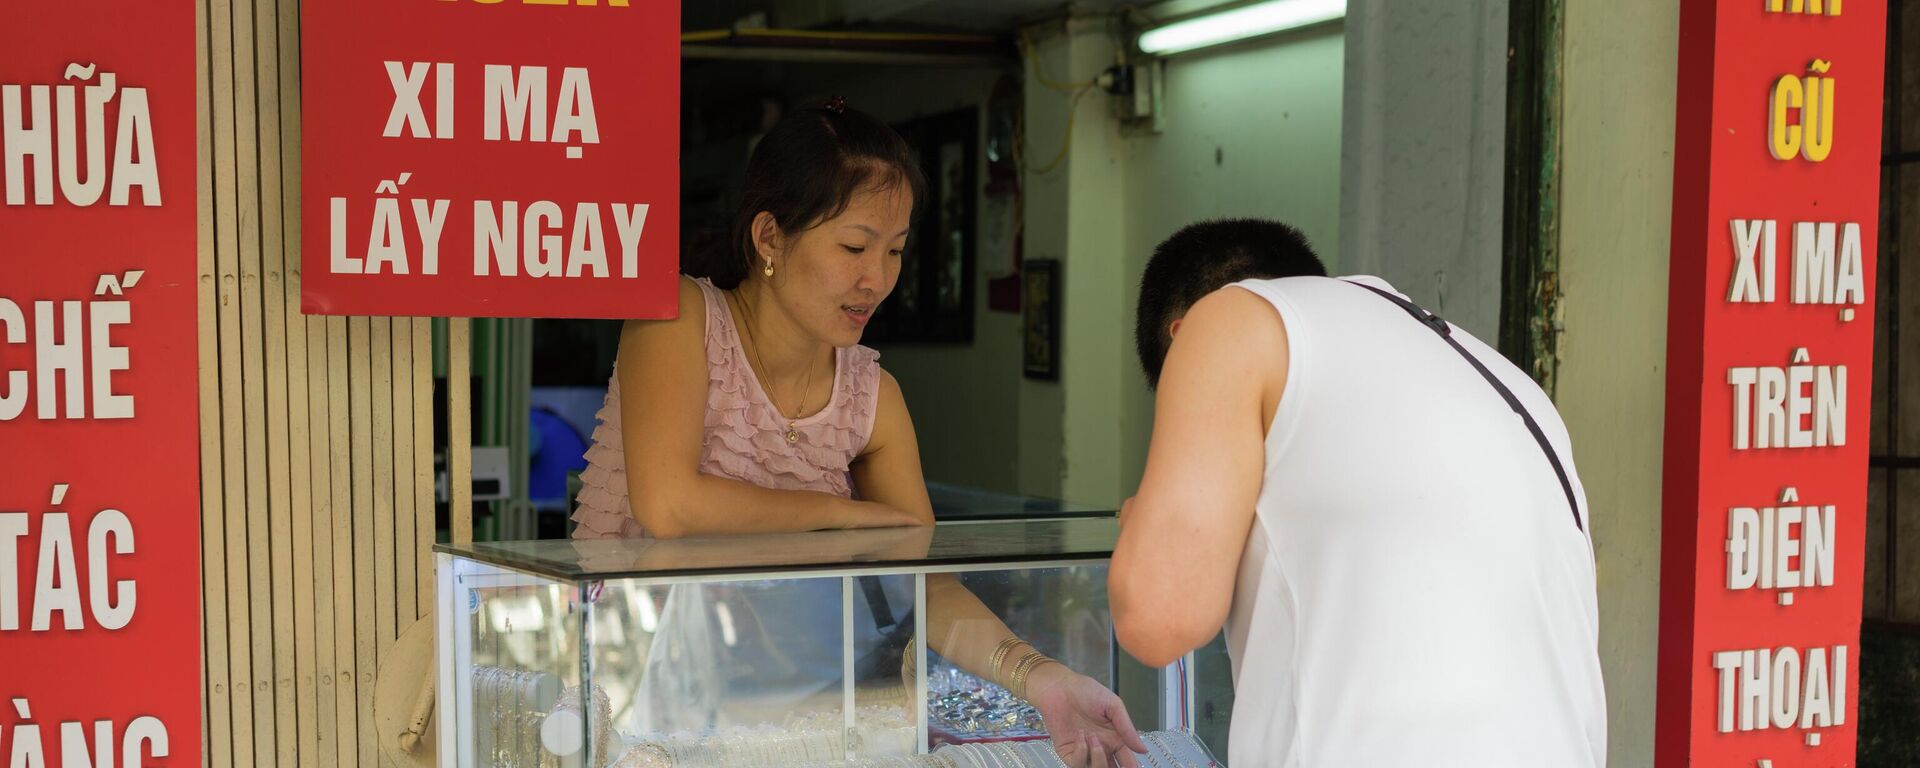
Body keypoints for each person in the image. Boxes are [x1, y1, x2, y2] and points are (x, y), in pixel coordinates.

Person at [571, 98, 1145, 767]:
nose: (876, 279)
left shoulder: (874, 398)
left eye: (895, 250)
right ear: (769, 238)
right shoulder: (677, 320)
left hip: (786, 725)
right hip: (633, 697)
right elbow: (669, 506)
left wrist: (1043, 679)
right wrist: (845, 516)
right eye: (853, 247)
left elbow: (926, 587)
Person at [1108, 219, 1607, 766]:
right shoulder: (1508, 383)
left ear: (1181, 337)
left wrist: (1146, 524)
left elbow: (1158, 619)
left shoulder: (1224, 322)